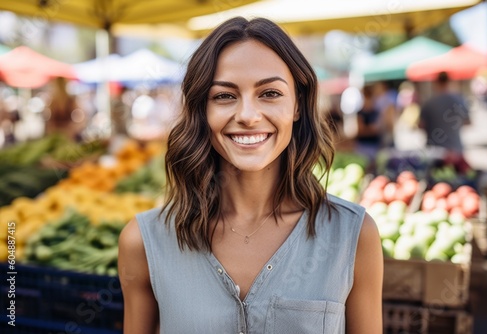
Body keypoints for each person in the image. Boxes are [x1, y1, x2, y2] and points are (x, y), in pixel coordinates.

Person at [118, 17, 383, 334]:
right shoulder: (144, 243)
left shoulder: (353, 235)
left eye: (270, 93)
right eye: (224, 96)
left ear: (297, 104)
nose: (247, 115)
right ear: (202, 109)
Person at [418, 71, 471, 153]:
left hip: (434, 150)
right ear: (449, 82)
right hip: (455, 148)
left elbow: (421, 125)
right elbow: (467, 122)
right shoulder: (459, 100)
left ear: (437, 83)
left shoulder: (429, 102)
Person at [355, 84, 382, 162]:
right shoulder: (361, 112)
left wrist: (368, 129)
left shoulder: (375, 112)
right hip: (363, 144)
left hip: (373, 144)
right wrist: (370, 129)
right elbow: (361, 130)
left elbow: (376, 129)